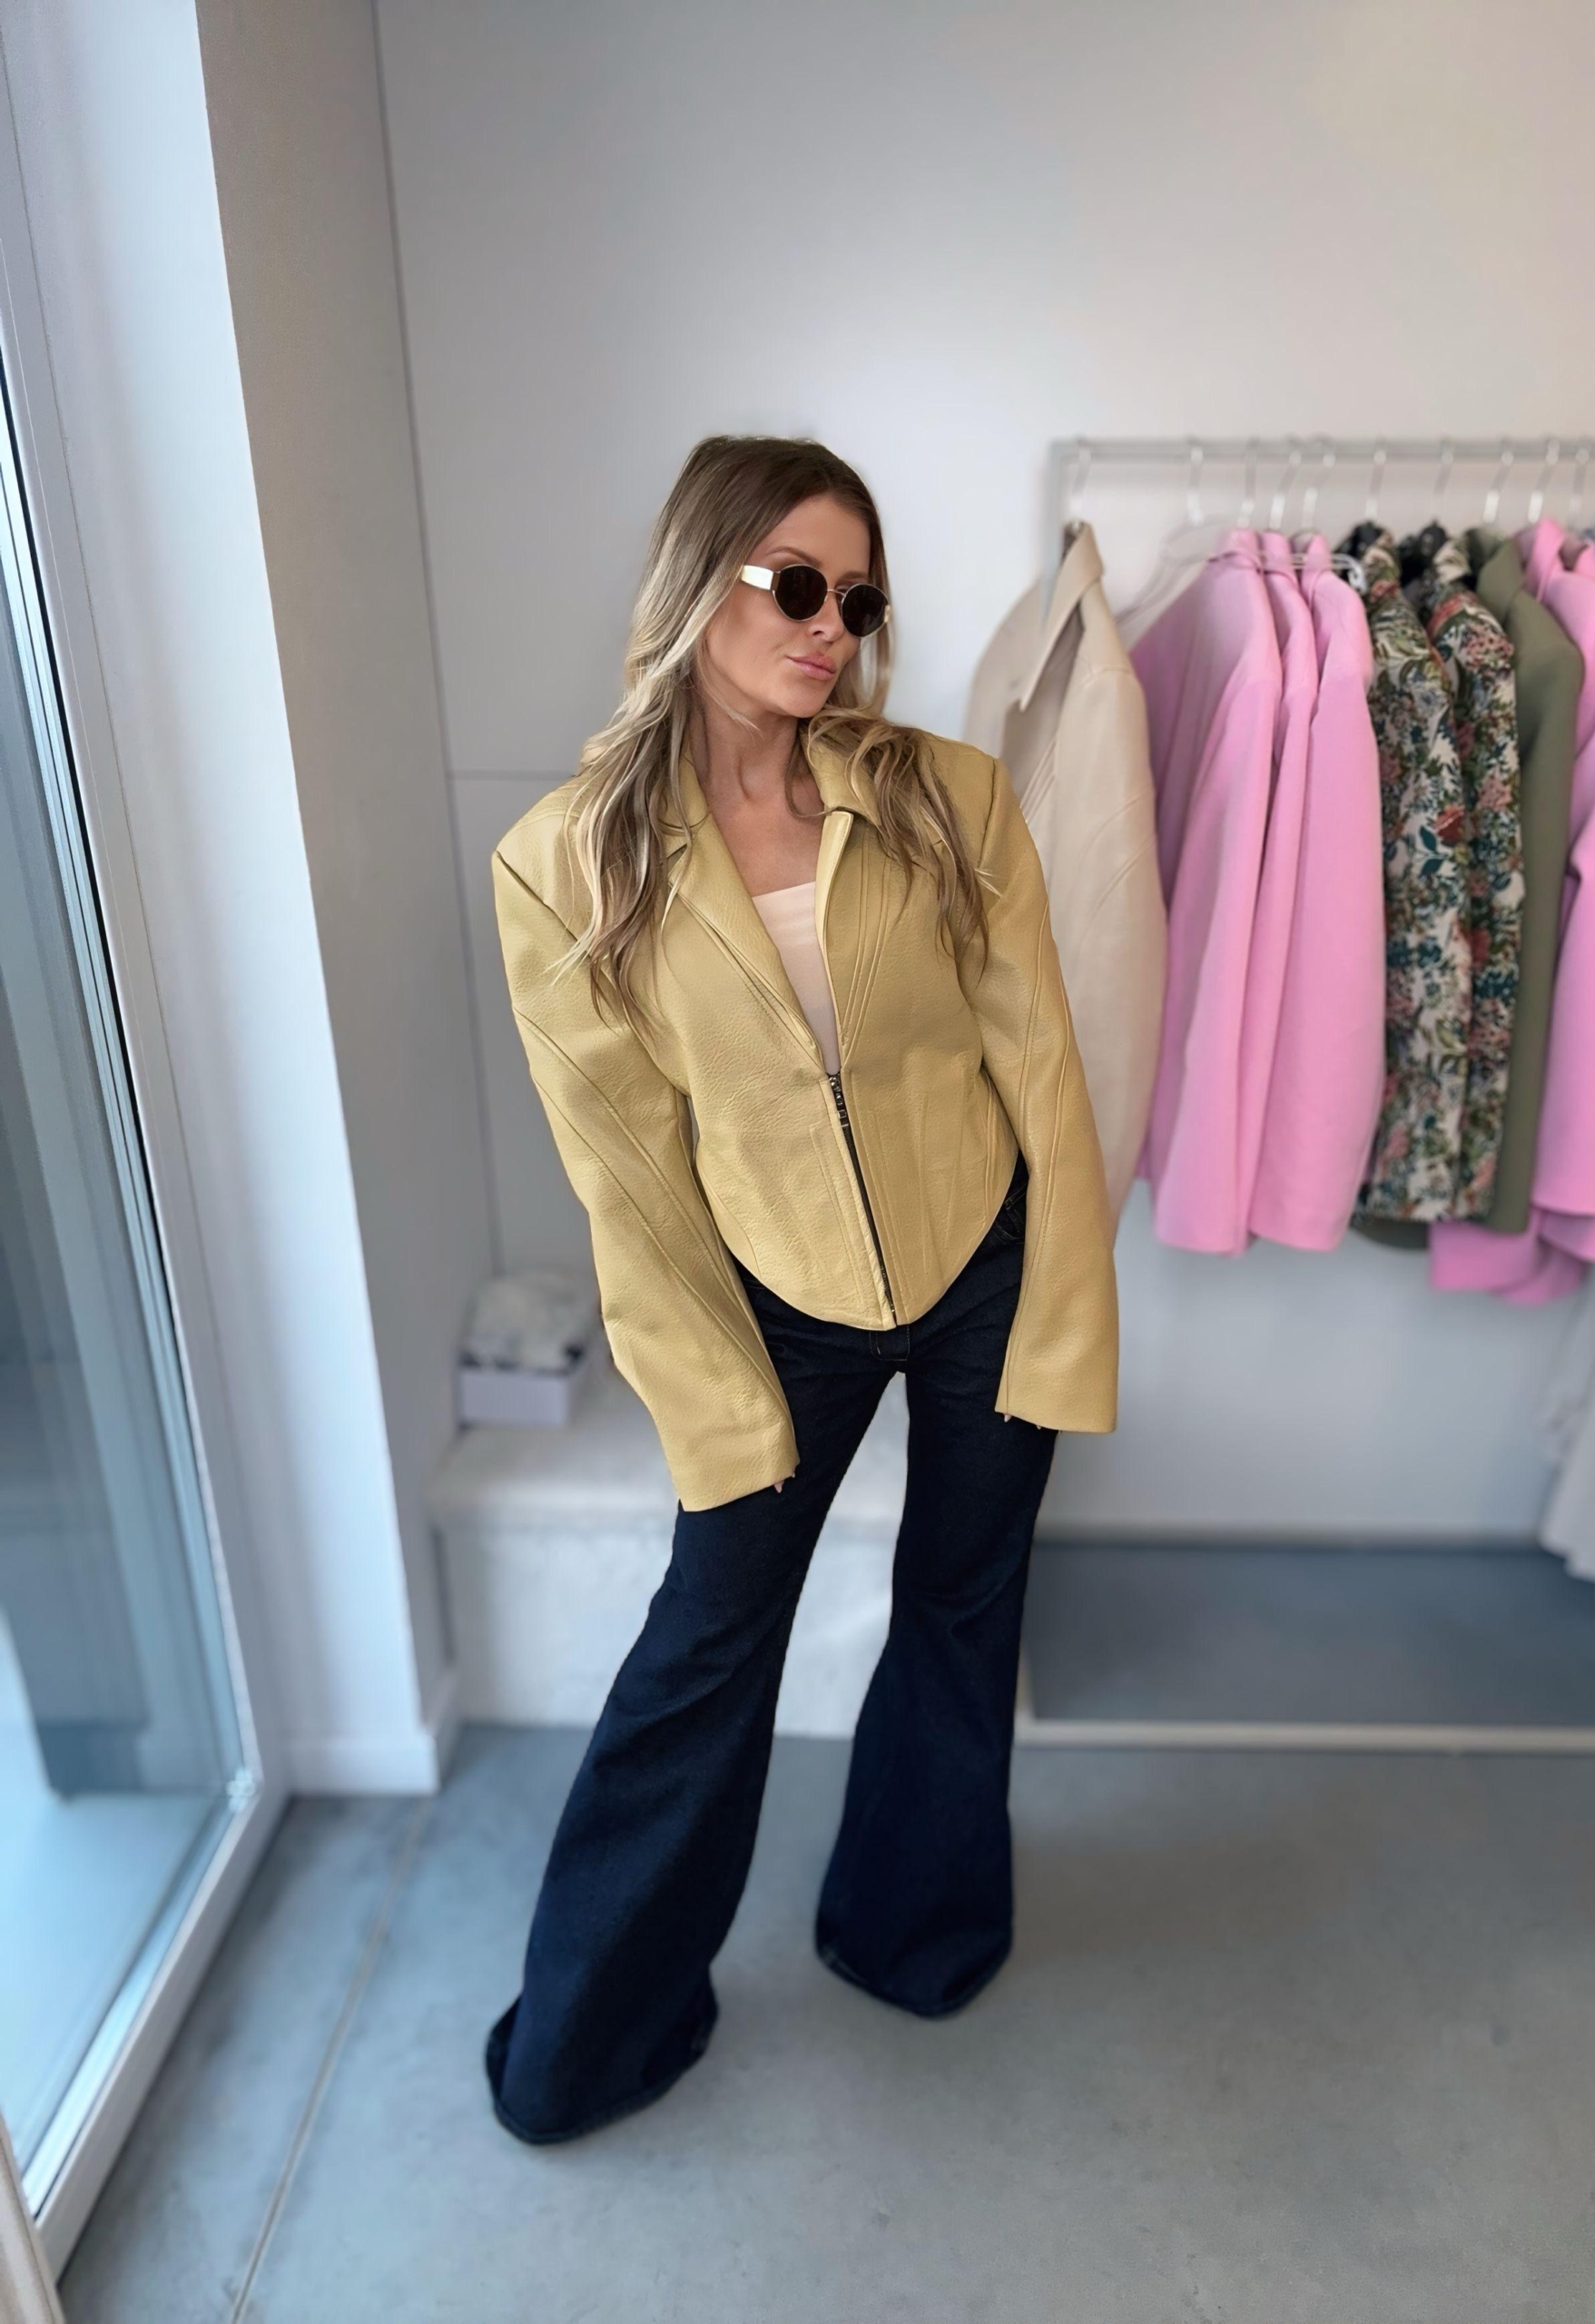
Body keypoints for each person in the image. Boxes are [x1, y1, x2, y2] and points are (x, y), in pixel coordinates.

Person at [484, 433, 1119, 2144]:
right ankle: (588, 2039)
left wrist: (1065, 1307)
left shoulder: (943, 796)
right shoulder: (568, 860)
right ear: (701, 581)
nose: (832, 625)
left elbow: (1041, 1071)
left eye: (859, 598)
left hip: (979, 1260)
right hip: (775, 1296)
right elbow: (628, 1172)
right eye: (795, 585)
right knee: (707, 1649)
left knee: (964, 1605)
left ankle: (915, 1934)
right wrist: (715, 1404)